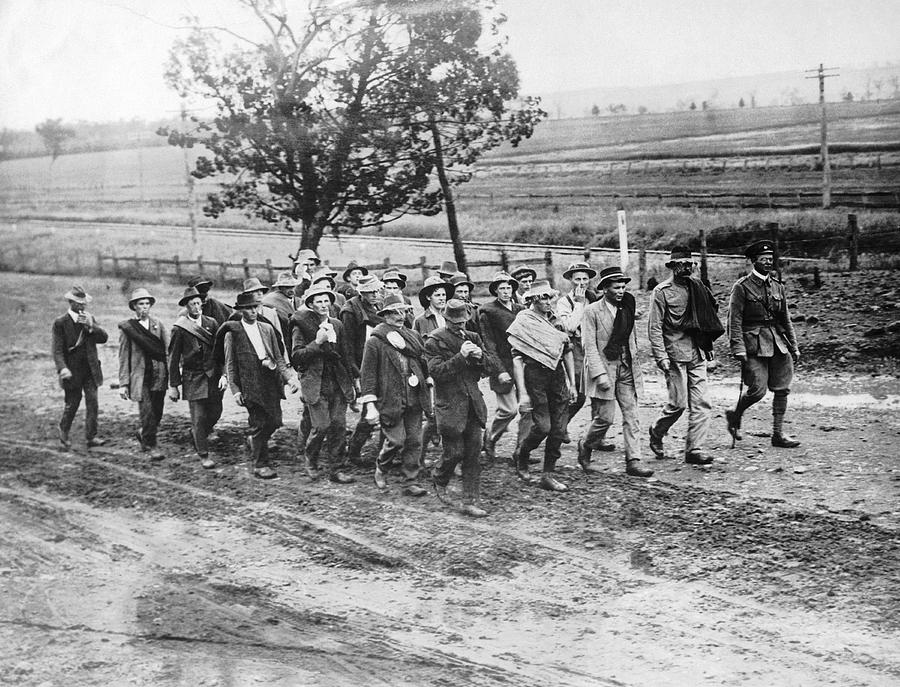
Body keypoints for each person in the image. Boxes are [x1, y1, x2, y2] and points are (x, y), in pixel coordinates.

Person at [647, 246, 725, 465]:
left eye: (691, 263)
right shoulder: (662, 292)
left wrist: (710, 352)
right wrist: (660, 357)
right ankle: (656, 431)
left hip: (697, 352)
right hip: (674, 355)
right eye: (683, 263)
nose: (688, 267)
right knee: (678, 404)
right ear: (673, 266)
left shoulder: (699, 287)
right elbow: (654, 327)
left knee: (702, 402)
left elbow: (709, 319)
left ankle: (694, 449)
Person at [425, 299, 501, 518]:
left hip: (472, 403)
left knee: (473, 455)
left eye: (463, 322)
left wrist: (479, 358)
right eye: (455, 322)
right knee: (454, 453)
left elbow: (490, 366)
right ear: (446, 319)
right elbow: (437, 372)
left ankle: (470, 501)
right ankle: (439, 477)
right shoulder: (435, 341)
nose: (460, 326)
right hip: (450, 405)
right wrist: (461, 357)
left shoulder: (473, 337)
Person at [579, 267, 654, 478]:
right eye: (616, 287)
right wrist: (599, 374)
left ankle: (634, 460)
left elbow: (631, 339)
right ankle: (585, 446)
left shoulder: (627, 307)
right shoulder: (592, 311)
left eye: (623, 287)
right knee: (605, 418)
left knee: (632, 415)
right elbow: (589, 346)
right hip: (605, 368)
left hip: (626, 368)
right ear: (604, 289)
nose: (621, 291)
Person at [726, 240, 801, 448]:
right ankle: (735, 415)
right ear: (753, 261)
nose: (768, 263)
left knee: (782, 388)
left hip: (778, 342)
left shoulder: (777, 286)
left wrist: (793, 346)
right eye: (763, 259)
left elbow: (785, 319)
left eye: (770, 259)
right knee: (758, 390)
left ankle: (778, 434)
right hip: (753, 344)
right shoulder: (741, 287)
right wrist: (738, 348)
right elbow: (734, 320)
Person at [358, 294, 432, 496]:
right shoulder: (376, 341)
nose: (400, 316)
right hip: (390, 398)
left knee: (414, 441)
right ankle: (381, 468)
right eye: (394, 312)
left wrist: (427, 378)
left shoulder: (413, 336)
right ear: (385, 315)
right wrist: (371, 403)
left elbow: (422, 359)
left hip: (414, 395)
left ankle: (411, 481)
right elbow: (368, 375)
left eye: (403, 311)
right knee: (396, 440)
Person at [507, 280, 577, 491]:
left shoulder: (555, 320)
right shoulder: (524, 321)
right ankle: (523, 453)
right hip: (534, 377)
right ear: (532, 299)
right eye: (543, 298)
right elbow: (517, 360)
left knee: (559, 428)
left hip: (556, 377)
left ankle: (548, 473)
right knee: (543, 426)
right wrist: (523, 394)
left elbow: (567, 351)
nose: (548, 302)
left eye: (550, 297)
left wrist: (572, 383)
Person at [222, 290, 300, 479]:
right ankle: (260, 464)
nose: (253, 311)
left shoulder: (267, 329)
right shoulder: (233, 333)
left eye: (255, 307)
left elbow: (278, 357)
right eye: (248, 308)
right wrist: (235, 390)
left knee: (274, 421)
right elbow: (230, 364)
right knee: (259, 422)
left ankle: (254, 441)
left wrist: (289, 379)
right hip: (249, 384)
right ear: (240, 311)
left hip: (270, 380)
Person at [291, 283, 356, 483]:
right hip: (315, 382)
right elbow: (297, 356)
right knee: (321, 426)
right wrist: (317, 343)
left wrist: (354, 380)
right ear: (310, 304)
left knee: (338, 426)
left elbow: (346, 354)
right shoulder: (301, 325)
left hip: (337, 381)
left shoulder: (337, 324)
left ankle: (337, 468)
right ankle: (311, 459)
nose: (323, 305)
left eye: (326, 300)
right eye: (318, 301)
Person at [167, 286, 225, 469]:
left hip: (213, 376)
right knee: (198, 418)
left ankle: (197, 435)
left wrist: (224, 374)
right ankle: (203, 454)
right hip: (193, 378)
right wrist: (174, 385)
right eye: (193, 304)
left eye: (199, 303)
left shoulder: (212, 323)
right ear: (186, 306)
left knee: (216, 411)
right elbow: (173, 358)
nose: (197, 306)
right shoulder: (180, 328)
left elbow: (220, 352)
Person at [478, 272, 527, 463]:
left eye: (509, 288)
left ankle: (522, 450)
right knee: (509, 410)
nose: (506, 292)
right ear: (496, 291)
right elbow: (488, 344)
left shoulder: (521, 309)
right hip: (503, 365)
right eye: (502, 288)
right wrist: (499, 371)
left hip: (523, 364)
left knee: (527, 409)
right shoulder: (487, 311)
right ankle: (490, 437)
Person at [52, 285, 108, 450]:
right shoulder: (60, 323)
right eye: (79, 303)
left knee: (93, 402)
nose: (83, 306)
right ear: (70, 302)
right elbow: (57, 350)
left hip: (90, 369)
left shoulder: (89, 318)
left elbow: (103, 338)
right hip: (72, 371)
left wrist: (91, 327)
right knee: (73, 403)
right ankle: (64, 430)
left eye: (84, 303)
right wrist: (62, 368)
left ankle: (91, 436)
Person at [118, 287, 169, 461]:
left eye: (147, 304)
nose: (144, 307)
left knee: (157, 411)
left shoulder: (158, 324)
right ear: (134, 307)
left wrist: (174, 374)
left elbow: (167, 350)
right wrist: (123, 384)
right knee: (146, 411)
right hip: (140, 377)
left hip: (159, 373)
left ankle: (144, 433)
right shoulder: (128, 328)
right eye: (141, 304)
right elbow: (123, 357)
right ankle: (150, 445)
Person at [341, 274, 384, 462]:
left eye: (377, 291)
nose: (375, 294)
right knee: (369, 410)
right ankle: (354, 450)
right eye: (370, 292)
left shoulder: (379, 307)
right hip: (362, 364)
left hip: (381, 362)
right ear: (362, 292)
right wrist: (355, 373)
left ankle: (384, 450)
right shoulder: (350, 310)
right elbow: (347, 345)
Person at [556, 260, 600, 437]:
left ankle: (596, 436)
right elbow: (570, 327)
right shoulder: (564, 302)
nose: (582, 283)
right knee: (579, 395)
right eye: (577, 279)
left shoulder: (595, 298)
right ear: (570, 281)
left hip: (595, 348)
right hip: (576, 351)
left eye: (585, 278)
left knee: (598, 394)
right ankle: (561, 425)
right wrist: (580, 304)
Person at [261, 270, 300, 335]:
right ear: (280, 288)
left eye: (293, 287)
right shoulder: (273, 299)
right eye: (287, 287)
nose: (291, 290)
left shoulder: (298, 301)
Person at [450, 272, 481, 337]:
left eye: (466, 292)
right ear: (452, 292)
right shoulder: (446, 310)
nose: (463, 295)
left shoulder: (474, 310)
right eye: (459, 292)